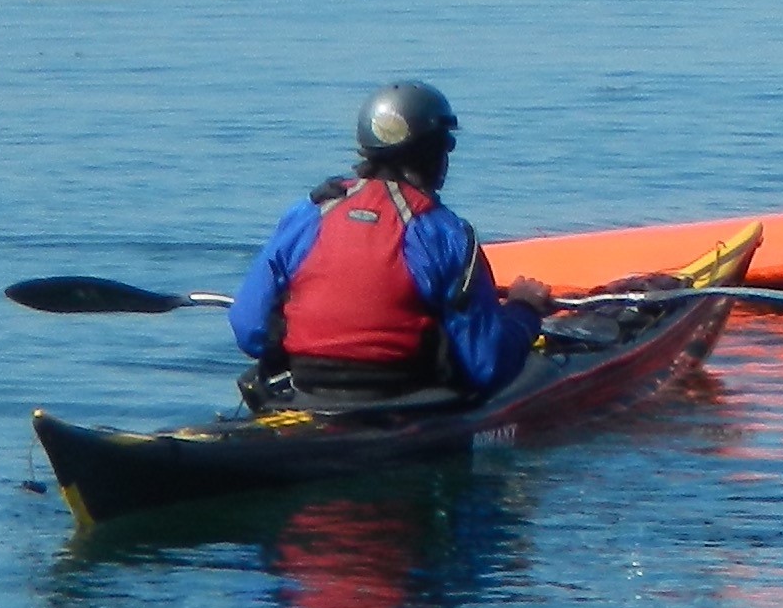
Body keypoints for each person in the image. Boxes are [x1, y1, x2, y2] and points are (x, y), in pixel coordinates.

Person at [227, 80, 551, 411]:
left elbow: (249, 330)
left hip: (306, 392)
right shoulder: (447, 234)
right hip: (403, 402)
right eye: (446, 146)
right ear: (431, 152)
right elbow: (487, 366)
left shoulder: (306, 214)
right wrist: (524, 311)